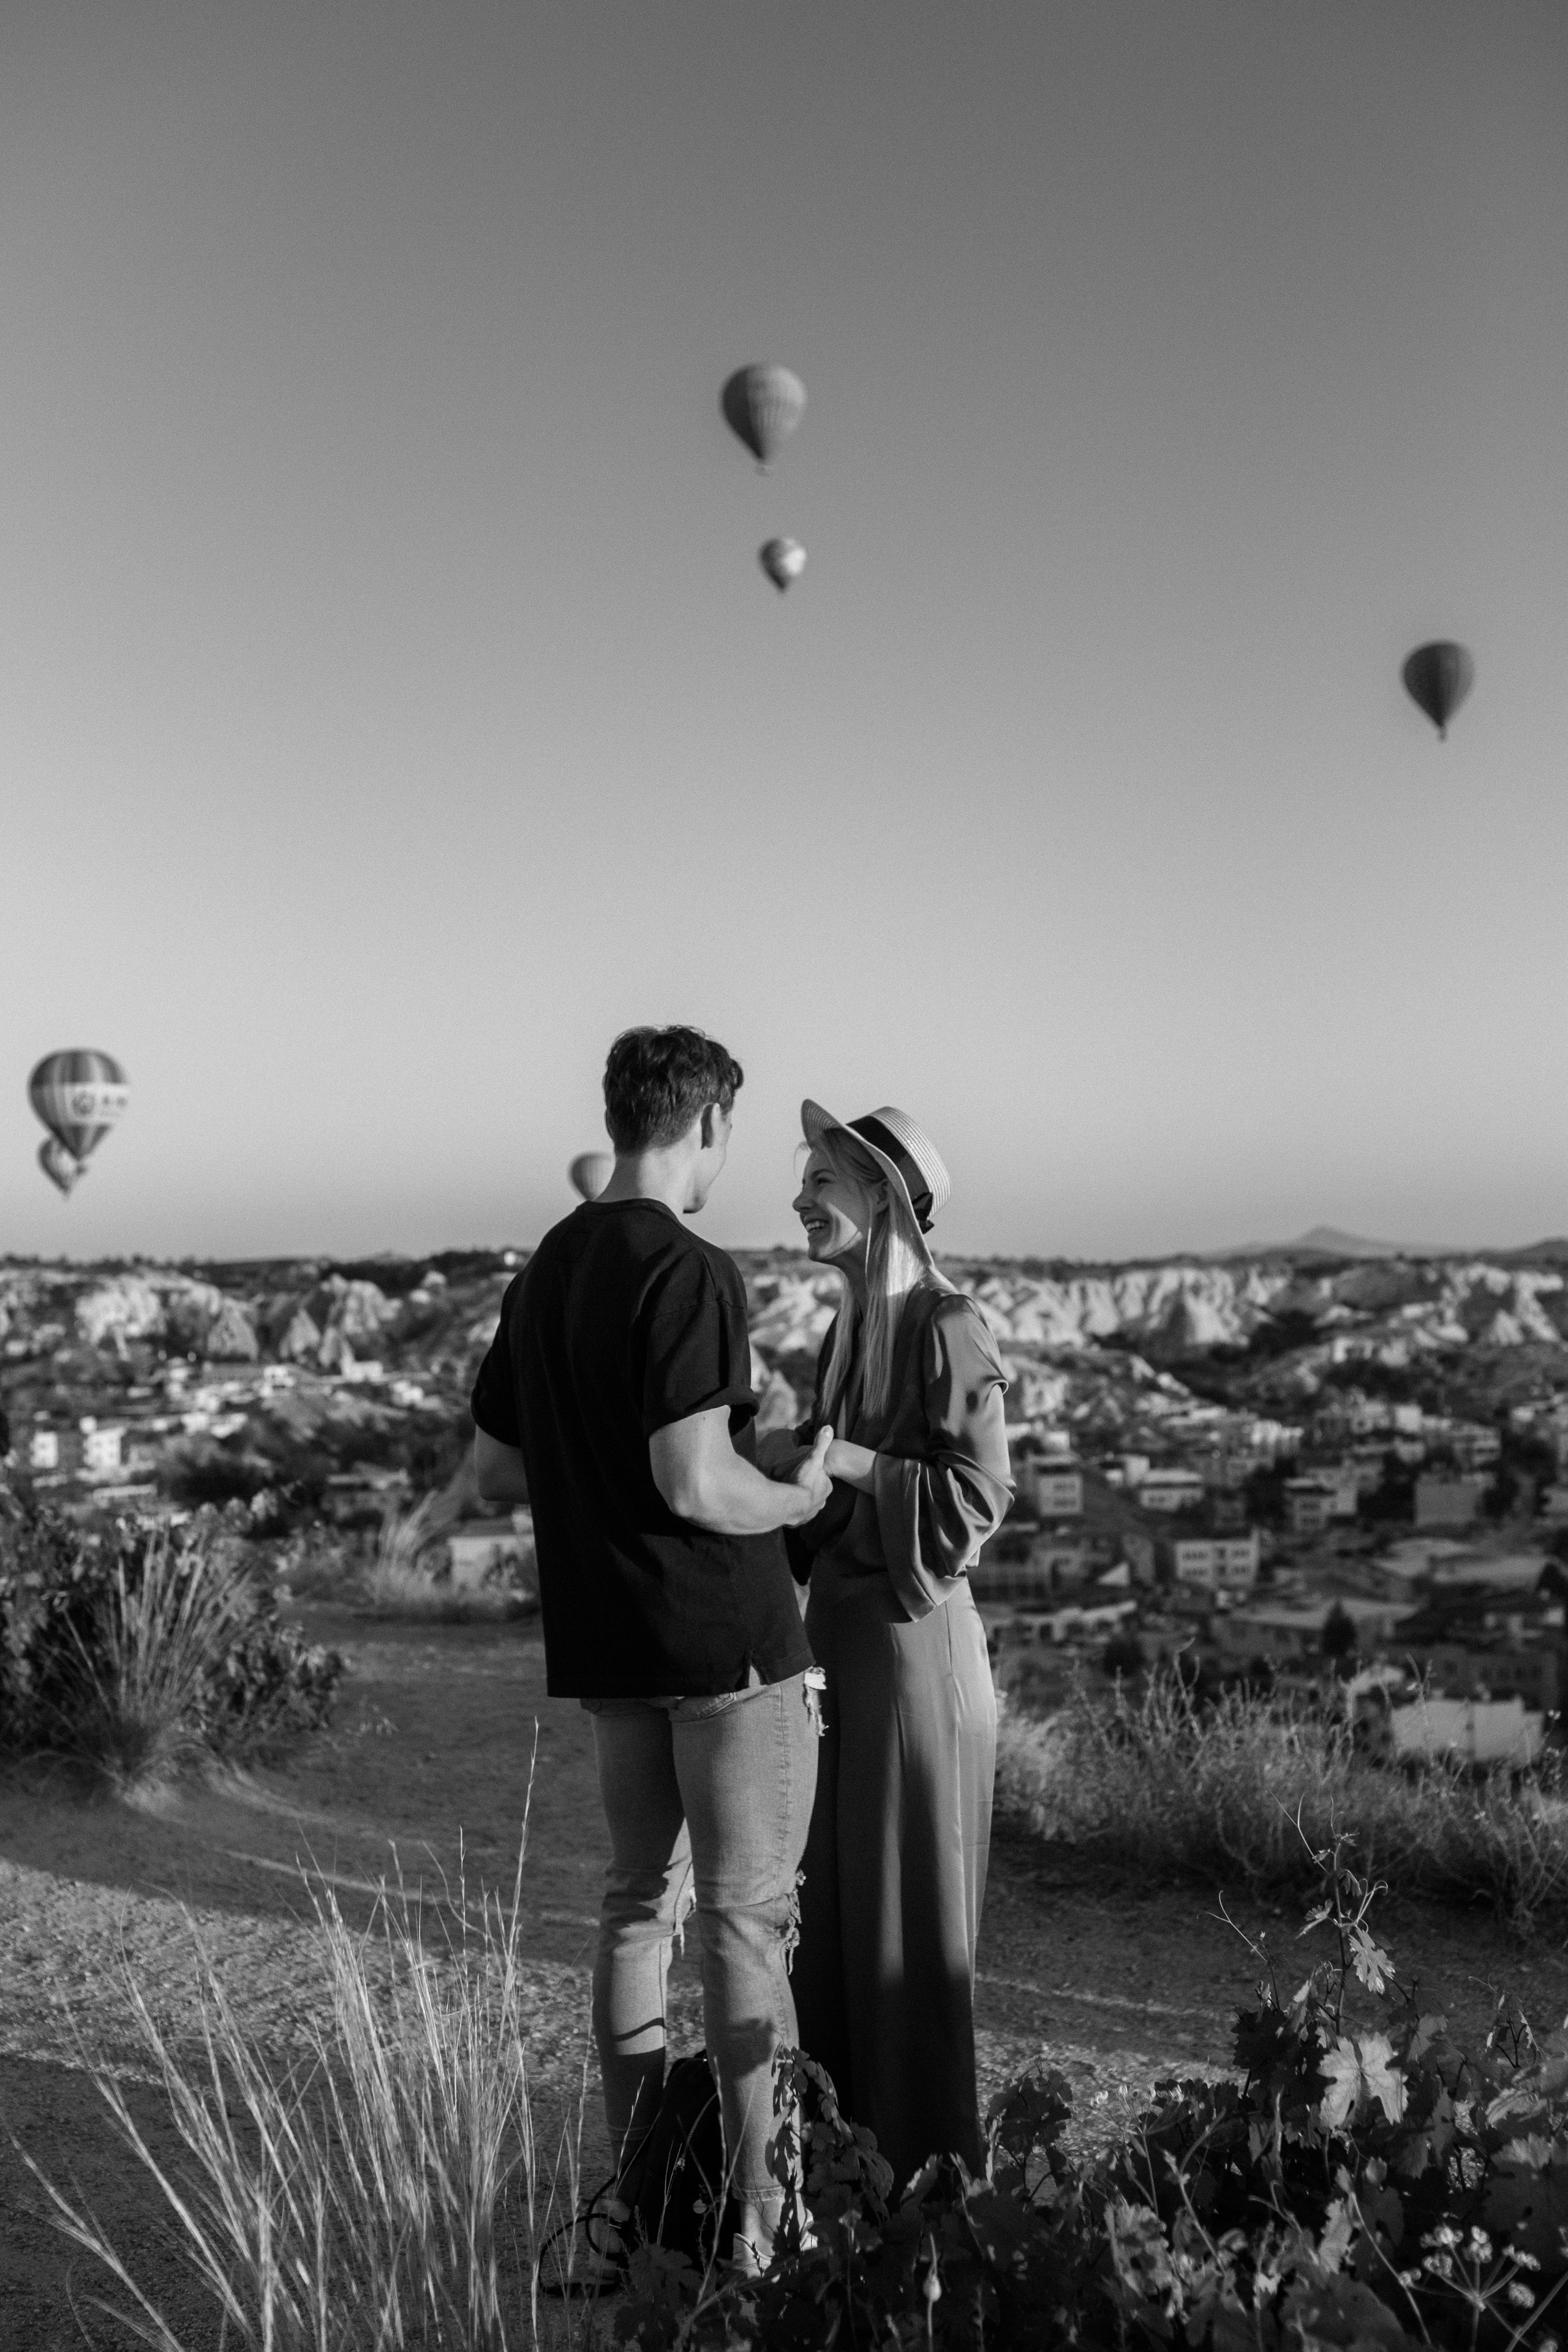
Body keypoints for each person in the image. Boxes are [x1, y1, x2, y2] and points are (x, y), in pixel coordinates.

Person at [470, 1027, 834, 2276]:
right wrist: (793, 1493)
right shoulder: (689, 1268)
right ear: (710, 1126)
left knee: (635, 1915)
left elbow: (490, 1465)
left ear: (621, 1114)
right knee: (743, 1930)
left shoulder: (549, 1263)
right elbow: (695, 1481)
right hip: (726, 1645)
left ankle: (624, 2214)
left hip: (609, 1640)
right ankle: (757, 2218)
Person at [760, 1101, 1012, 2190]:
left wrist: (851, 1463)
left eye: (822, 1179)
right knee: (836, 1928)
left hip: (915, 1659)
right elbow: (823, 1507)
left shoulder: (949, 1325)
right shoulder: (847, 1329)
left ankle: (925, 2198)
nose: (802, 1197)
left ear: (881, 1201)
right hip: (848, 1653)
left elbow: (977, 1501)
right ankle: (848, 2177)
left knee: (905, 1934)